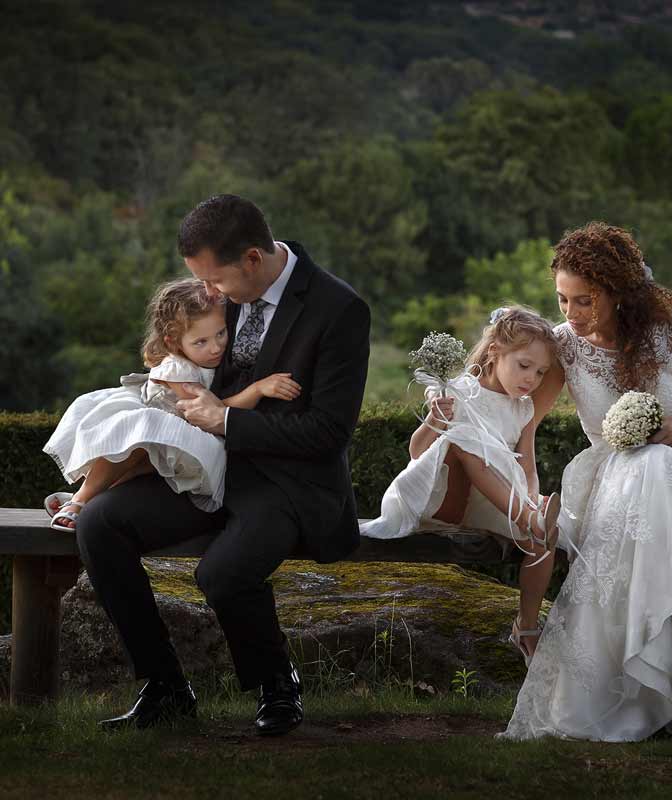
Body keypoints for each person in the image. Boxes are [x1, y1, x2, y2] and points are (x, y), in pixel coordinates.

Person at [72, 194, 370, 735]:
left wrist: (227, 422)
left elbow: (329, 433)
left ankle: (278, 685)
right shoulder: (220, 293)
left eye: (216, 281)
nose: (208, 293)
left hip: (285, 481)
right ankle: (164, 687)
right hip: (208, 471)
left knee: (222, 573)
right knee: (100, 523)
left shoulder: (339, 309)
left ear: (253, 259)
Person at [500, 222, 672, 743]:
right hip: (612, 485)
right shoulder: (565, 347)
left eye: (583, 301)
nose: (569, 314)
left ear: (619, 291)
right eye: (562, 300)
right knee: (641, 465)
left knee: (656, 461)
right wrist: (523, 495)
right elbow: (524, 429)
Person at [361, 306, 561, 664]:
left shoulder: (523, 408)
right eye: (524, 365)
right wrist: (435, 420)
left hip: (490, 500)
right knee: (465, 437)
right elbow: (418, 452)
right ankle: (529, 516)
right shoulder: (459, 392)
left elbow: (526, 463)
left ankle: (527, 627)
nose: (531, 378)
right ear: (496, 351)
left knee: (546, 535)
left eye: (541, 372)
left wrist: (531, 496)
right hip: (439, 496)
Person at [43, 278, 301, 528]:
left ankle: (88, 500)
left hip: (171, 436)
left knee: (141, 468)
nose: (215, 347)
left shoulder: (212, 356)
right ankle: (80, 498)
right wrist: (258, 389)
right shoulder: (178, 370)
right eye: (201, 341)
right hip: (156, 423)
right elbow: (213, 411)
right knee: (125, 450)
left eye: (221, 333)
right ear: (173, 342)